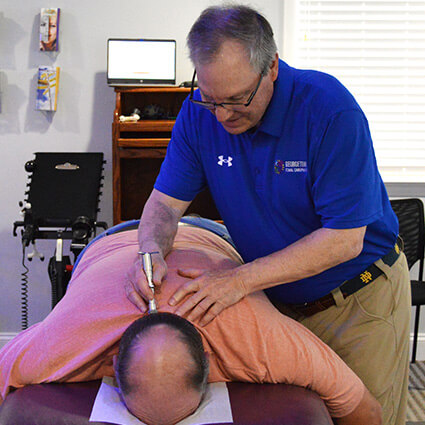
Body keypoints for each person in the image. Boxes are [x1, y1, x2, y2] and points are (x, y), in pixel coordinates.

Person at [125, 5, 411, 425]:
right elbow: (165, 205)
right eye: (211, 100)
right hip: (277, 301)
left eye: (238, 100)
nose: (223, 115)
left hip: (357, 301)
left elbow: (344, 238)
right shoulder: (196, 115)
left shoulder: (330, 111)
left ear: (271, 68)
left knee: (365, 417)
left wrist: (238, 280)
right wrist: (149, 249)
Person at [0, 224, 381, 424]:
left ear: (212, 366)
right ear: (112, 364)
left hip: (210, 236)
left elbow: (364, 409)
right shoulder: (64, 339)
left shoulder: (261, 339)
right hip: (111, 246)